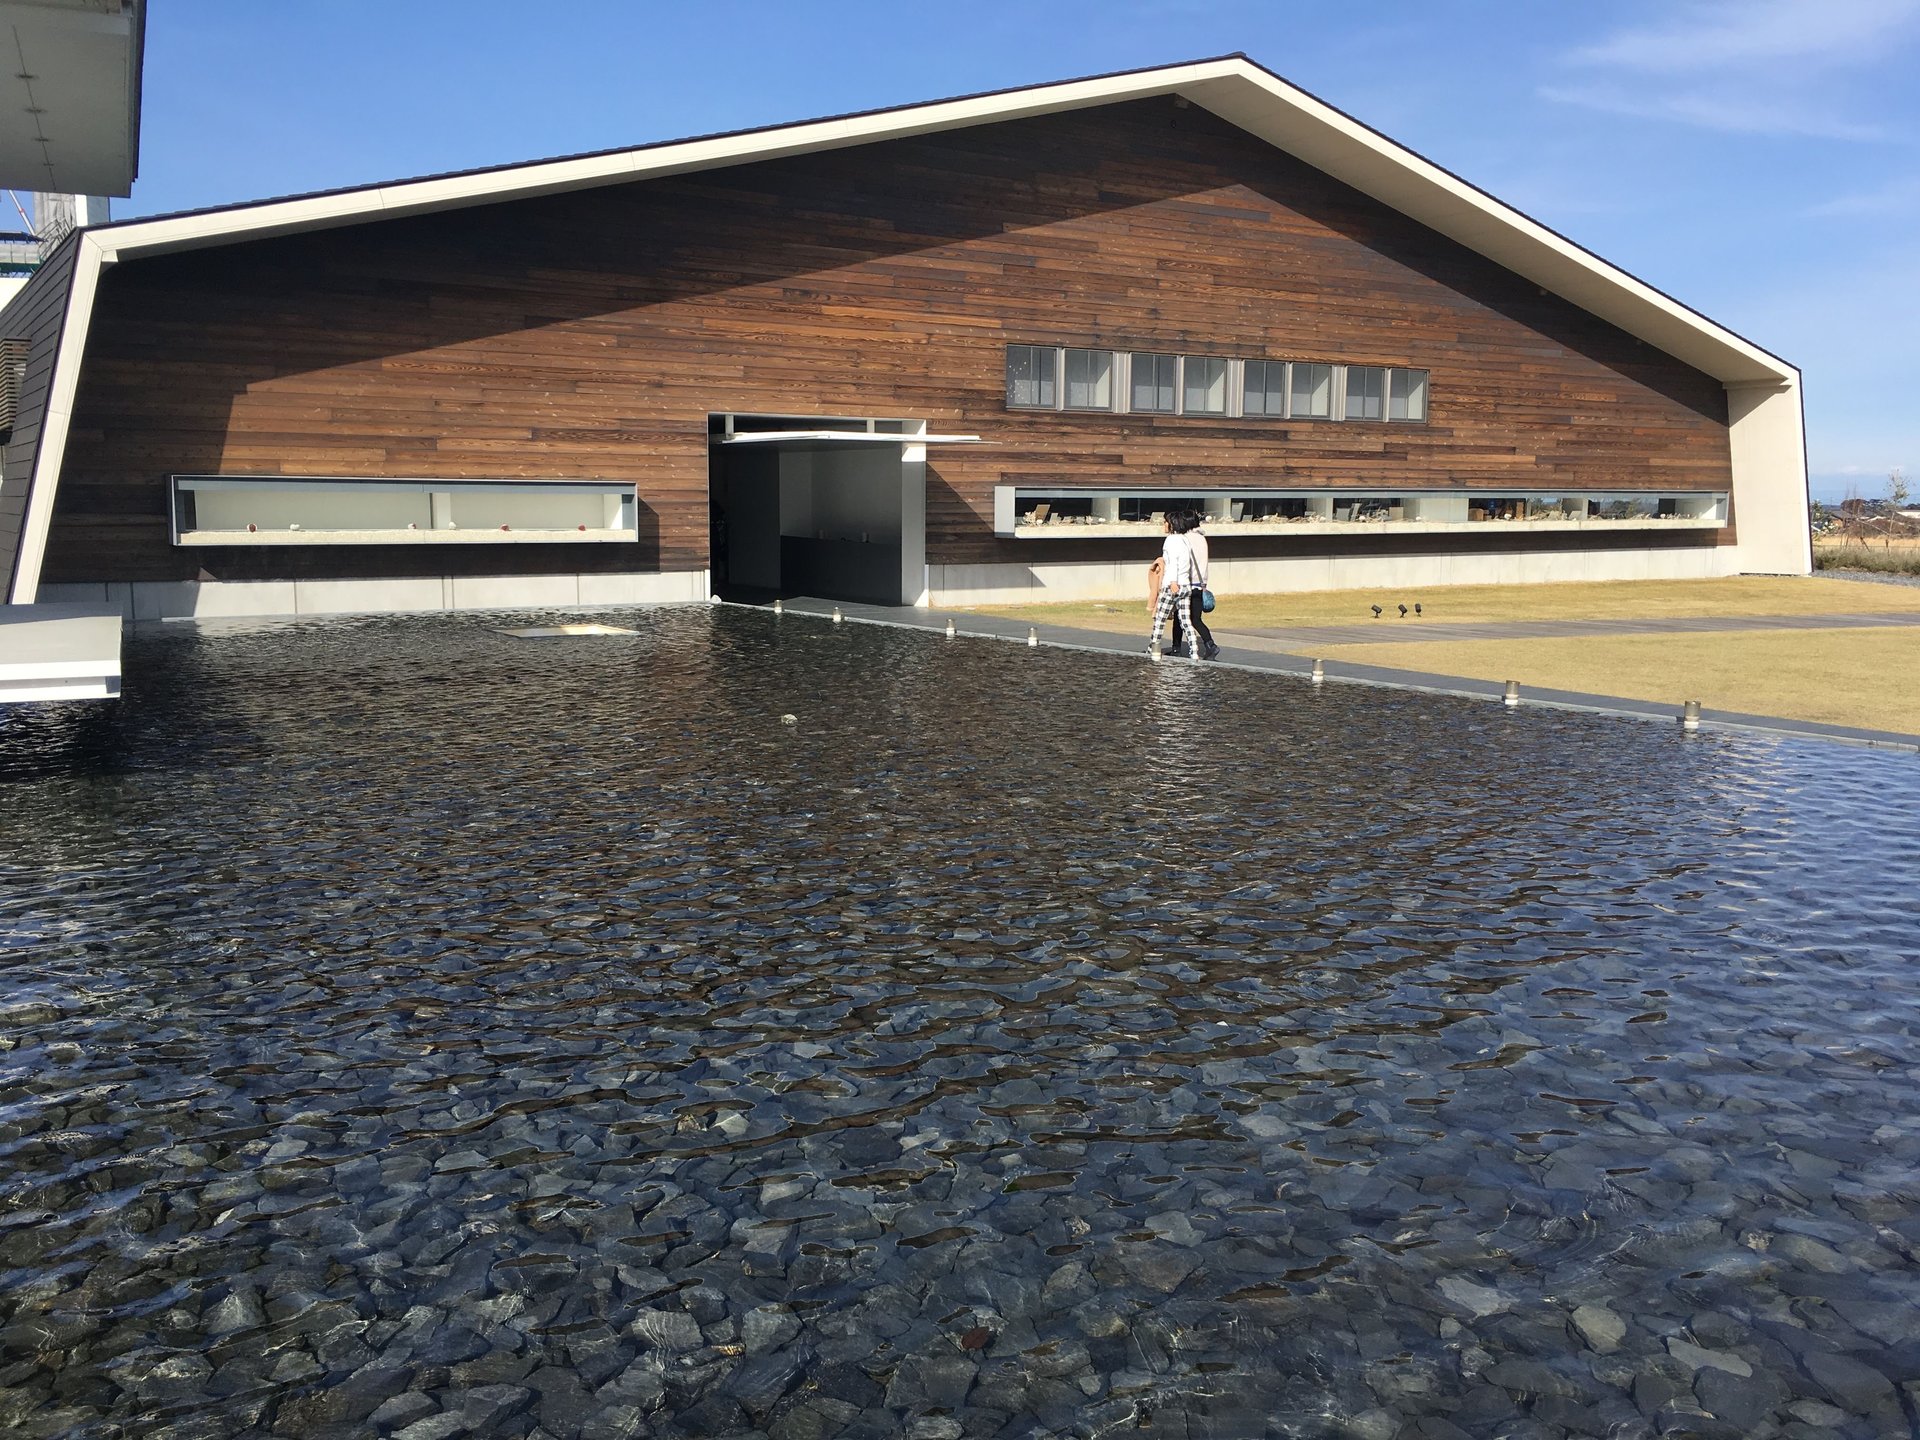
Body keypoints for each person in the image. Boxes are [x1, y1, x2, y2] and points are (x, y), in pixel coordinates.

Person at [1147, 512, 1201, 660]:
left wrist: (1172, 582)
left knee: (1160, 619)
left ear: (1172, 524)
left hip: (1172, 586)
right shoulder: (1185, 540)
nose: (1164, 525)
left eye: (1166, 522)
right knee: (1186, 621)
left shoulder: (1171, 540)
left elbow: (1173, 563)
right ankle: (1194, 652)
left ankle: (1154, 650)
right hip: (1185, 586)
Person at [1169, 508, 1220, 659]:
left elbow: (1182, 562)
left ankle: (1176, 648)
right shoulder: (1202, 538)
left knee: (1179, 617)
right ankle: (1210, 644)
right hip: (1200, 585)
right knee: (1196, 619)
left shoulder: (1184, 539)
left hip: (1187, 584)